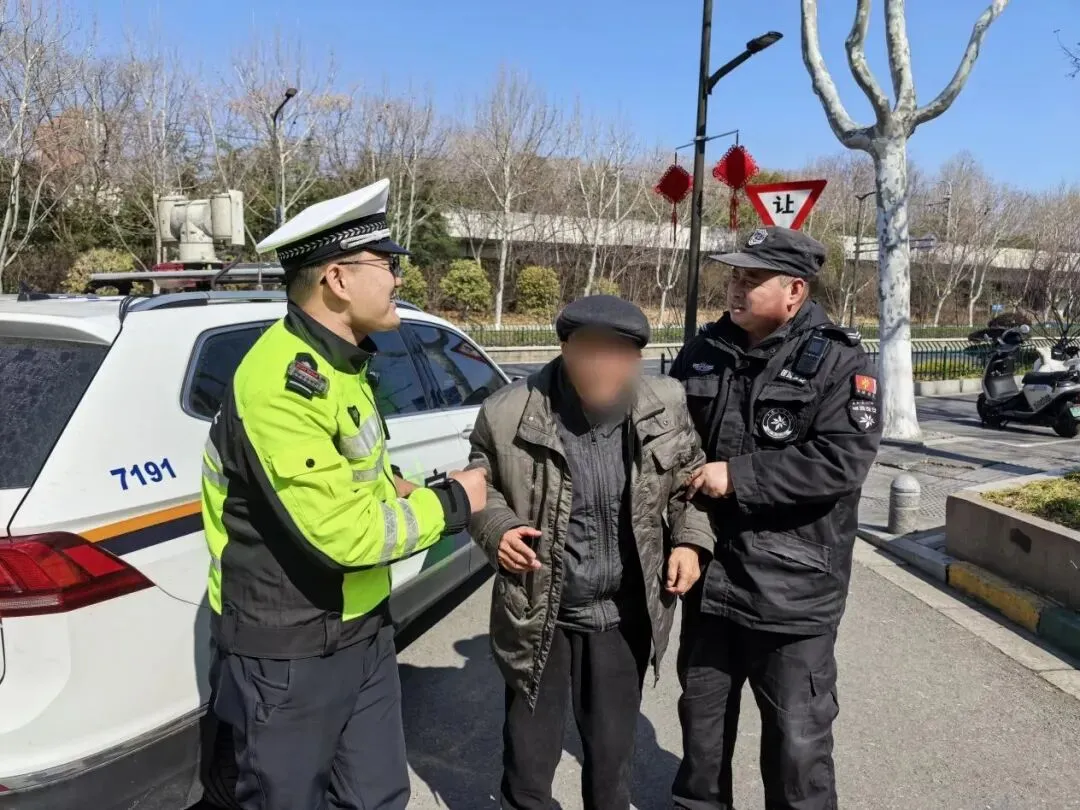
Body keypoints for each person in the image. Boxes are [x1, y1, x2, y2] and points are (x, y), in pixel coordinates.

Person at [199, 178, 487, 810]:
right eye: (387, 265)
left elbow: (357, 474)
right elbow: (344, 534)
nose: (398, 279)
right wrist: (456, 502)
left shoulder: (340, 361)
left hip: (360, 627)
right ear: (337, 278)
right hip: (289, 648)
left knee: (376, 796)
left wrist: (403, 488)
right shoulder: (281, 382)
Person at [467, 295, 716, 810]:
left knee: (610, 763)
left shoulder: (664, 401)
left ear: (637, 358)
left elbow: (689, 482)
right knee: (529, 764)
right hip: (540, 612)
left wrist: (691, 541)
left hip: (624, 615)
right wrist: (497, 527)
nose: (605, 367)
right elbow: (478, 485)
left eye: (620, 354)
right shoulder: (507, 411)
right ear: (565, 348)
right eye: (591, 351)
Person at [668, 226, 883, 810]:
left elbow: (842, 461)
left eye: (752, 278)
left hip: (793, 594)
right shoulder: (705, 350)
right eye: (734, 276)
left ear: (794, 291)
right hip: (710, 582)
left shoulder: (839, 362)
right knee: (701, 733)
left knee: (797, 748)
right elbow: (671, 445)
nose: (736, 288)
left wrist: (739, 476)